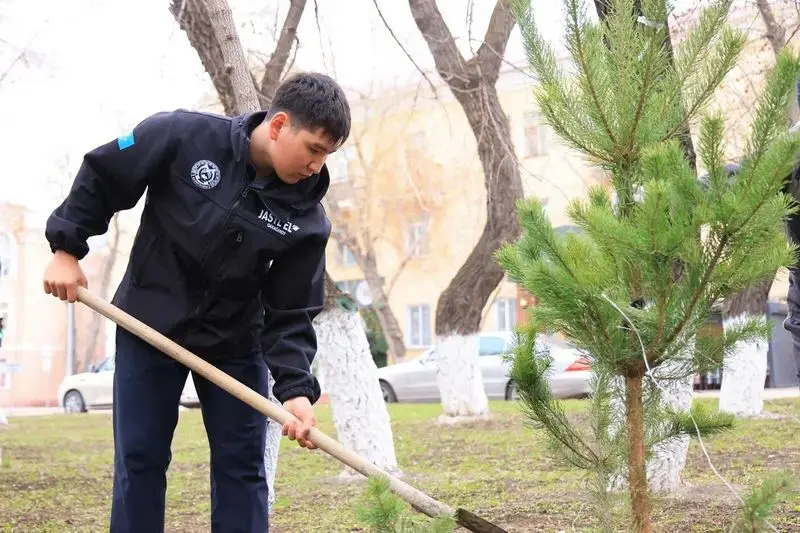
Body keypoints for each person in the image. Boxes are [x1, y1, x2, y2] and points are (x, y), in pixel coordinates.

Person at [42, 72, 350, 532]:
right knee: (140, 459)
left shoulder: (306, 220)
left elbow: (289, 313)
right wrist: (67, 249)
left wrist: (297, 391)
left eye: (327, 155)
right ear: (280, 124)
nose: (317, 166)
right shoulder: (181, 135)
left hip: (233, 346)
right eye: (314, 149)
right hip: (149, 326)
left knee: (243, 468)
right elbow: (105, 175)